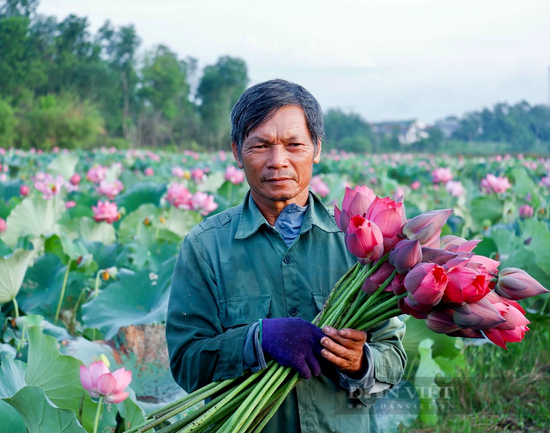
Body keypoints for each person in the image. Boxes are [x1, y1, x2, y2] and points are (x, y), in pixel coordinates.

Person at [166, 79, 407, 433]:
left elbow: (394, 357)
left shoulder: (362, 242)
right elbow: (187, 363)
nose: (277, 162)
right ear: (236, 152)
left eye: (294, 145)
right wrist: (256, 341)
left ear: (317, 148)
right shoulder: (205, 246)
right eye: (260, 145)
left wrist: (360, 362)